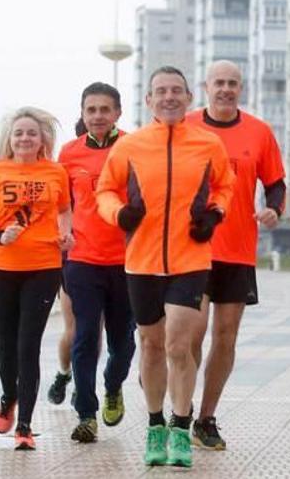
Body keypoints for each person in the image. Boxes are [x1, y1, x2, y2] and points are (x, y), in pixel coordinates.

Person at [95, 66, 234, 468]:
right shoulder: (130, 146)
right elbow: (103, 189)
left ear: (189, 98)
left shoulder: (208, 144)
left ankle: (180, 426)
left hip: (190, 257)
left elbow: (227, 184)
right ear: (148, 101)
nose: (169, 97)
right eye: (161, 91)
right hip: (141, 260)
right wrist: (118, 213)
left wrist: (216, 212)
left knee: (177, 343)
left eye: (176, 90)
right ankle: (155, 425)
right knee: (151, 345)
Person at [185, 60, 286, 450]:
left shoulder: (259, 131)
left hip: (238, 249)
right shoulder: (187, 126)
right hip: (192, 247)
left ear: (240, 88)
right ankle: (181, 405)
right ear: (205, 87)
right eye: (219, 83)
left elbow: (275, 183)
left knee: (225, 337)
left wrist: (274, 210)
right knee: (191, 333)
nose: (226, 89)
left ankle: (206, 418)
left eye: (233, 84)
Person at [0, 107, 73, 450]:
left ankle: (25, 426)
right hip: (1, 268)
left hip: (43, 267)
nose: (25, 138)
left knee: (28, 346)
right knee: (6, 346)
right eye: (19, 133)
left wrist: (66, 234)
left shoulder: (55, 172)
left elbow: (64, 210)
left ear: (42, 138)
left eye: (31, 132)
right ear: (9, 140)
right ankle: (8, 396)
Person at [57, 83, 137, 442]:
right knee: (86, 335)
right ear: (83, 113)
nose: (98, 116)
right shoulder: (69, 153)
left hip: (129, 260)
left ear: (118, 112)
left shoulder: (134, 147)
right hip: (83, 260)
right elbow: (61, 206)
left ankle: (113, 384)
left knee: (125, 343)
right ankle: (86, 414)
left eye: (105, 109)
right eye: (91, 110)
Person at [48, 116, 91, 409]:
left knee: (93, 330)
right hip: (70, 259)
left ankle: (83, 383)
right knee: (74, 328)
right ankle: (65, 374)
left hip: (106, 260)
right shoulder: (65, 171)